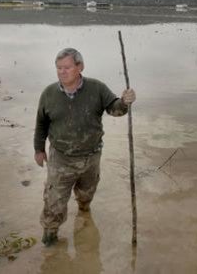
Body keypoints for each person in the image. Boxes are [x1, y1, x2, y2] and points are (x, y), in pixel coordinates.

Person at [34, 48, 136, 246]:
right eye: (58, 68)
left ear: (80, 67)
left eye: (67, 67)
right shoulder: (49, 93)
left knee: (86, 194)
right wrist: (39, 149)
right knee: (54, 201)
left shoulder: (96, 88)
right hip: (61, 158)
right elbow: (41, 123)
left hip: (91, 156)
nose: (62, 72)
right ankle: (50, 238)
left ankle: (83, 213)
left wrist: (124, 102)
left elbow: (115, 109)